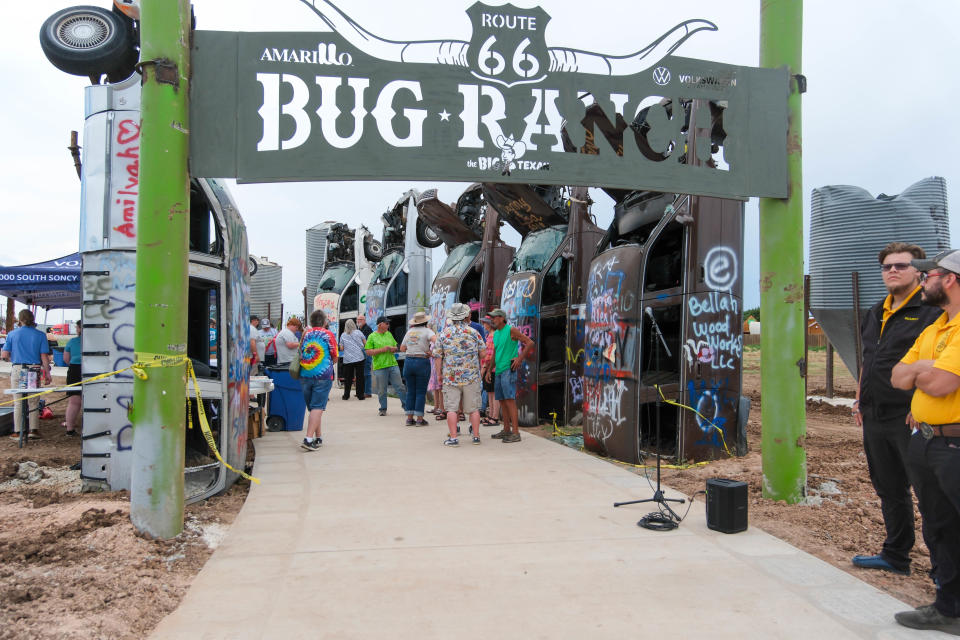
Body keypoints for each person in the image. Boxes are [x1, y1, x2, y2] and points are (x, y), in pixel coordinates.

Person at [851, 242, 941, 576]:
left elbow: (935, 364)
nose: (892, 271)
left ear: (919, 272)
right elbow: (868, 359)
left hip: (911, 417)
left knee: (929, 493)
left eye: (901, 266)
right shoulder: (876, 312)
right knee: (889, 489)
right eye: (887, 266)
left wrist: (921, 407)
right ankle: (896, 555)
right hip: (875, 415)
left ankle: (941, 568)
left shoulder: (933, 312)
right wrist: (860, 399)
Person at [890, 249, 960, 634]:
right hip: (927, 441)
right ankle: (948, 609)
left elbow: (941, 382)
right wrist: (921, 369)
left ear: (948, 279)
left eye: (928, 274)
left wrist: (920, 372)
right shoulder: (936, 328)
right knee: (939, 527)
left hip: (955, 446)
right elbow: (898, 376)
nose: (922, 280)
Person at [434, 303, 485, 446]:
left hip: (450, 378)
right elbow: (483, 353)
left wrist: (439, 374)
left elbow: (438, 357)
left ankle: (454, 438)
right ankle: (475, 437)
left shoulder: (443, 334)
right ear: (465, 316)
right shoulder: (474, 332)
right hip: (471, 377)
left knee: (451, 408)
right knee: (474, 409)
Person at [483, 308, 534, 443]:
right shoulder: (497, 334)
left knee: (509, 400)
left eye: (494, 317)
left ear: (502, 318)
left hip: (508, 369)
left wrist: (519, 358)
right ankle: (506, 430)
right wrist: (489, 370)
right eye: (491, 318)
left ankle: (515, 433)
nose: (492, 320)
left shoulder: (511, 330)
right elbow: (495, 353)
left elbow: (529, 342)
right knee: (502, 400)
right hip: (498, 370)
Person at [1, 309, 52, 440]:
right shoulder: (40, 335)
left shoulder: (12, 334)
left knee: (18, 401)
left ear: (20, 319)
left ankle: (18, 431)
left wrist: (14, 357)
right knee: (34, 401)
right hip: (34, 369)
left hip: (18, 368)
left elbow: (4, 355)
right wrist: (47, 373)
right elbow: (44, 356)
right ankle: (33, 430)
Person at [298, 309, 338, 451]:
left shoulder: (306, 334)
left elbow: (301, 351)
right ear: (325, 321)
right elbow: (335, 356)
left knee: (314, 408)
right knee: (317, 407)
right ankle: (308, 439)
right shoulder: (328, 334)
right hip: (323, 376)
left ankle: (318, 437)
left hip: (305, 374)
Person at [399, 311, 435, 426]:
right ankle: (419, 419)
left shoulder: (409, 332)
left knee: (410, 391)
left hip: (409, 362)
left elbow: (402, 348)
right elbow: (437, 341)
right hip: (421, 361)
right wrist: (430, 352)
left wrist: (413, 346)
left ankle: (409, 419)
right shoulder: (428, 331)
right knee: (420, 391)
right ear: (426, 321)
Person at [365, 316, 406, 416]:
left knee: (400, 387)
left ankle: (406, 406)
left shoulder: (389, 334)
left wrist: (393, 349)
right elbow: (368, 352)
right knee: (382, 390)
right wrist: (382, 350)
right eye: (386, 323)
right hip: (380, 367)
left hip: (392, 364)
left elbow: (396, 347)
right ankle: (383, 408)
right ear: (380, 324)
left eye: (388, 323)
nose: (388, 325)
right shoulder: (372, 336)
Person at [62, 320, 83, 436]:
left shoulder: (72, 341)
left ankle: (69, 429)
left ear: (79, 329)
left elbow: (66, 359)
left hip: (75, 370)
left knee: (74, 402)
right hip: (93, 369)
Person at [479, 314, 500, 427]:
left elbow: (490, 356)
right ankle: (491, 415)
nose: (484, 325)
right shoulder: (490, 335)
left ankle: (494, 416)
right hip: (490, 369)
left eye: (485, 323)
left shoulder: (492, 336)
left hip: (491, 369)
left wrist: (484, 368)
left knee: (493, 393)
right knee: (490, 393)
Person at [339, 319, 367, 400]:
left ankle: (346, 395)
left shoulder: (343, 335)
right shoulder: (359, 332)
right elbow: (366, 344)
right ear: (353, 324)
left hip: (348, 359)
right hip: (359, 358)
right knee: (360, 377)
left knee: (348, 378)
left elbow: (341, 348)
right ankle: (360, 395)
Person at [356, 315, 373, 398]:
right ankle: (361, 391)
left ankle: (368, 392)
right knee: (361, 373)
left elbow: (366, 342)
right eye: (357, 320)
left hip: (366, 352)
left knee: (366, 373)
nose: (358, 321)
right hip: (361, 353)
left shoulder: (367, 329)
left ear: (364, 320)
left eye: (360, 320)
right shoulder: (360, 329)